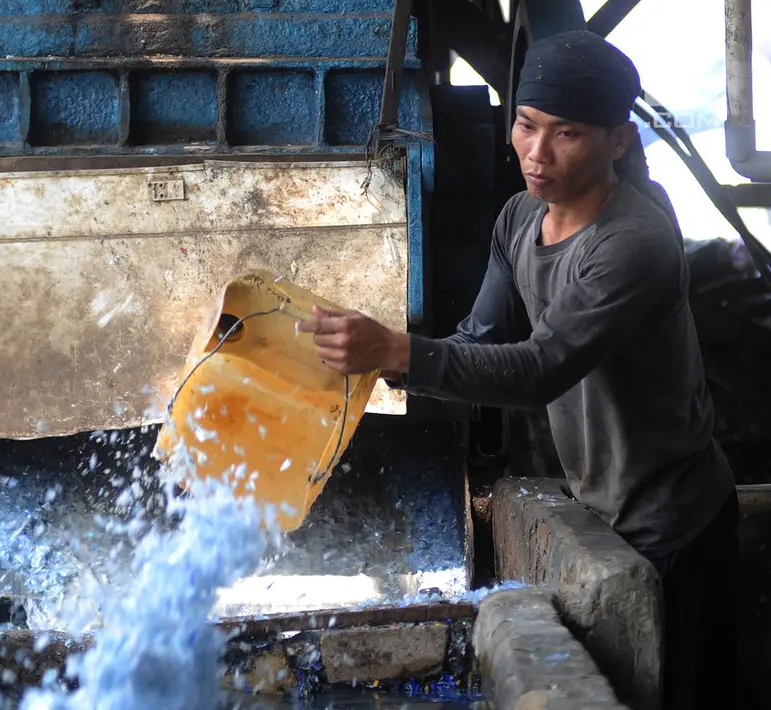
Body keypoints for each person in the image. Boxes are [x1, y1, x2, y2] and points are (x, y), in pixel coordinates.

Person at [298, 30, 737, 710]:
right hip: (603, 516)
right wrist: (364, 367)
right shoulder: (518, 218)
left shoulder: (633, 243)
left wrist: (397, 352)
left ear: (616, 141)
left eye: (566, 134)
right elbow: (478, 338)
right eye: (525, 126)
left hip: (673, 525)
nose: (536, 153)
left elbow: (539, 370)